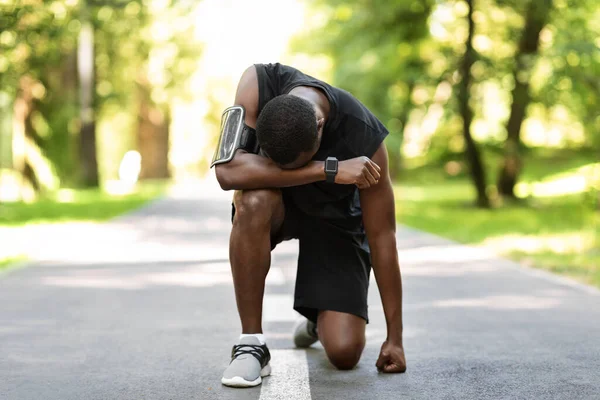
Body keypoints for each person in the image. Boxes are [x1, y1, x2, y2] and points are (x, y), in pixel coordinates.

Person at [212, 63, 406, 388]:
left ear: (320, 126)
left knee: (345, 353)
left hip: (336, 217)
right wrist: (326, 170)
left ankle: (318, 319)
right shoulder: (257, 85)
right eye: (277, 166)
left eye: (295, 165)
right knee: (252, 200)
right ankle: (251, 344)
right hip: (277, 205)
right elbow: (226, 173)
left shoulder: (364, 135)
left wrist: (395, 338)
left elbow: (383, 236)